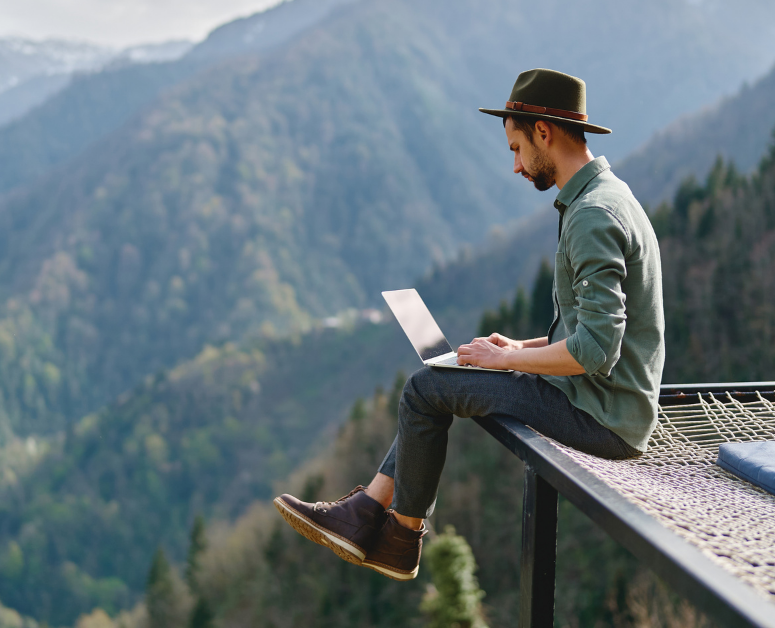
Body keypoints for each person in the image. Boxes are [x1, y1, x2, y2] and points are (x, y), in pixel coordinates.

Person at [273, 68, 665, 581]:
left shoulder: (593, 213)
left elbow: (595, 351)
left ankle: (397, 535)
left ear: (543, 131)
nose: (517, 166)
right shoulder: (607, 197)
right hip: (604, 402)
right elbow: (593, 328)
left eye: (516, 149)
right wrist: (517, 346)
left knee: (425, 390)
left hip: (602, 417)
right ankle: (370, 513)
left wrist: (506, 361)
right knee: (440, 380)